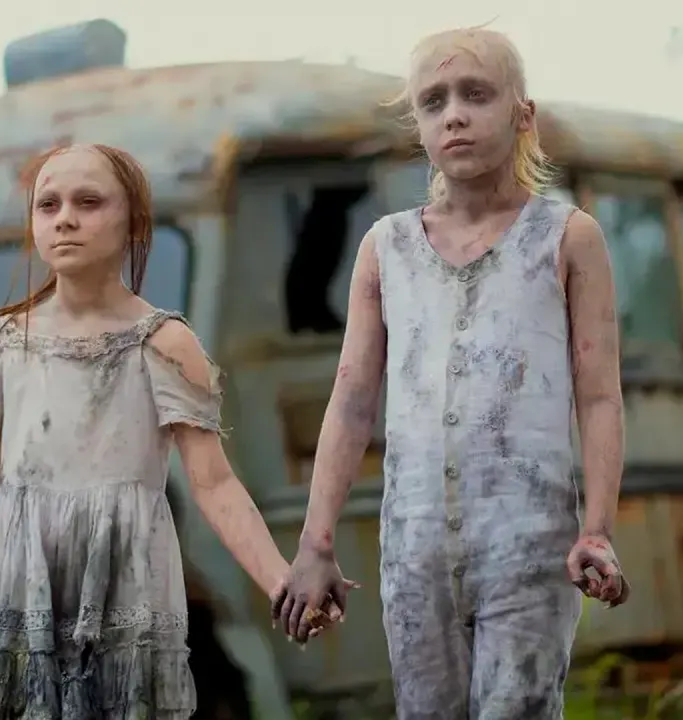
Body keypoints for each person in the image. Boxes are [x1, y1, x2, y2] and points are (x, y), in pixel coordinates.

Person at [271, 25, 631, 718]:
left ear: (522, 114)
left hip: (528, 543)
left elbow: (598, 395)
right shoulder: (387, 247)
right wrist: (316, 542)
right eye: (433, 102)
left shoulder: (566, 237)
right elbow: (352, 400)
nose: (454, 115)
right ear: (419, 125)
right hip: (415, 549)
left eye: (476, 95)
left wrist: (598, 529)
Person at [0, 143, 307, 718]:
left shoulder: (163, 343)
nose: (65, 218)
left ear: (133, 221)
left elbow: (214, 483)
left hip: (124, 584)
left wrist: (281, 581)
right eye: (48, 205)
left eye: (89, 202)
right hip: (22, 589)